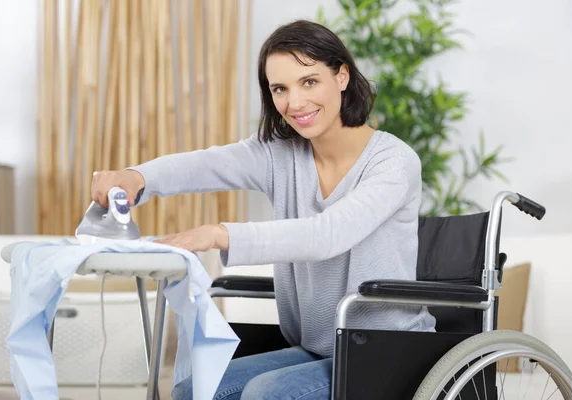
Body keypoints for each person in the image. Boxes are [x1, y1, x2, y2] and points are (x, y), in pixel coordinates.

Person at [91, 19, 436, 400]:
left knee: (265, 393)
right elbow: (208, 163)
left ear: (341, 76)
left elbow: (327, 234)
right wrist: (138, 177)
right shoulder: (282, 156)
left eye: (309, 81)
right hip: (317, 349)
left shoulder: (393, 162)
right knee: (194, 390)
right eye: (280, 89)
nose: (295, 103)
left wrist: (218, 234)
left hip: (388, 354)